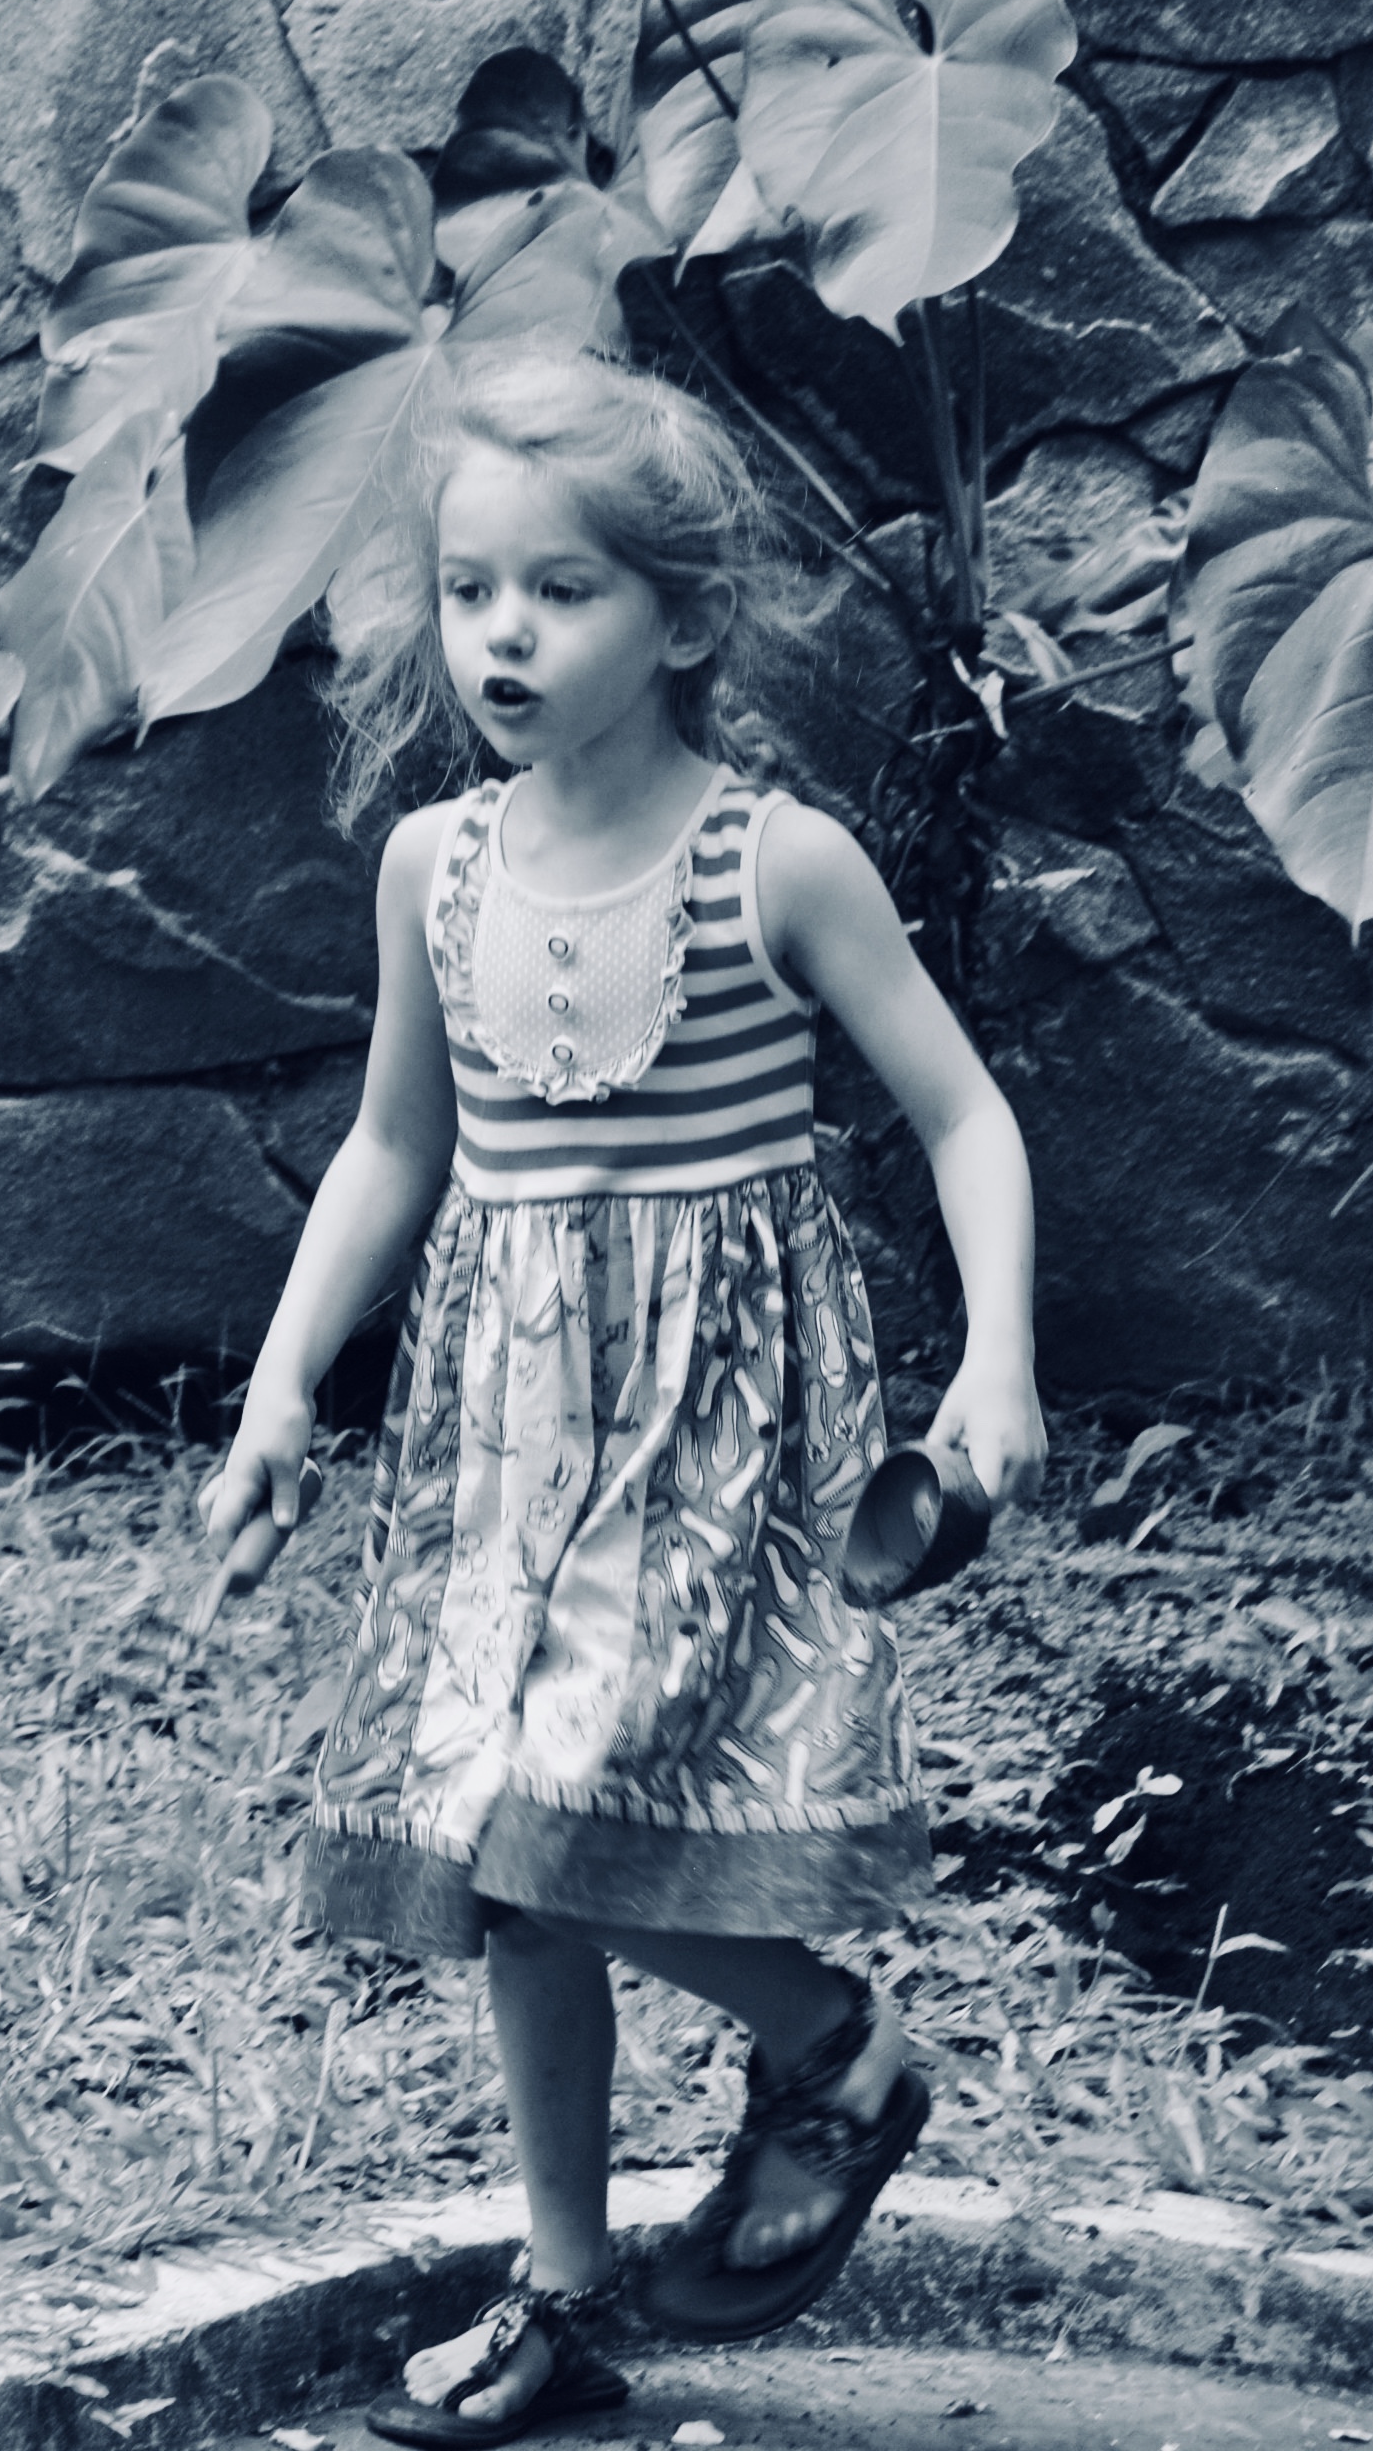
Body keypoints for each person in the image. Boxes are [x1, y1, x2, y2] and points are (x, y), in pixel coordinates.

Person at [200, 348, 1047, 2445]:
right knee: (506, 1875)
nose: (503, 632)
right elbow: (394, 1149)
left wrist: (997, 1356)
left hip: (711, 1449)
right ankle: (566, 2294)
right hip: (504, 1446)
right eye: (470, 587)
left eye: (561, 591)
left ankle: (837, 2052)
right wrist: (283, 1385)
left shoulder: (778, 864)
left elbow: (963, 1115)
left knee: (551, 1842)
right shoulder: (433, 866)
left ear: (681, 620)